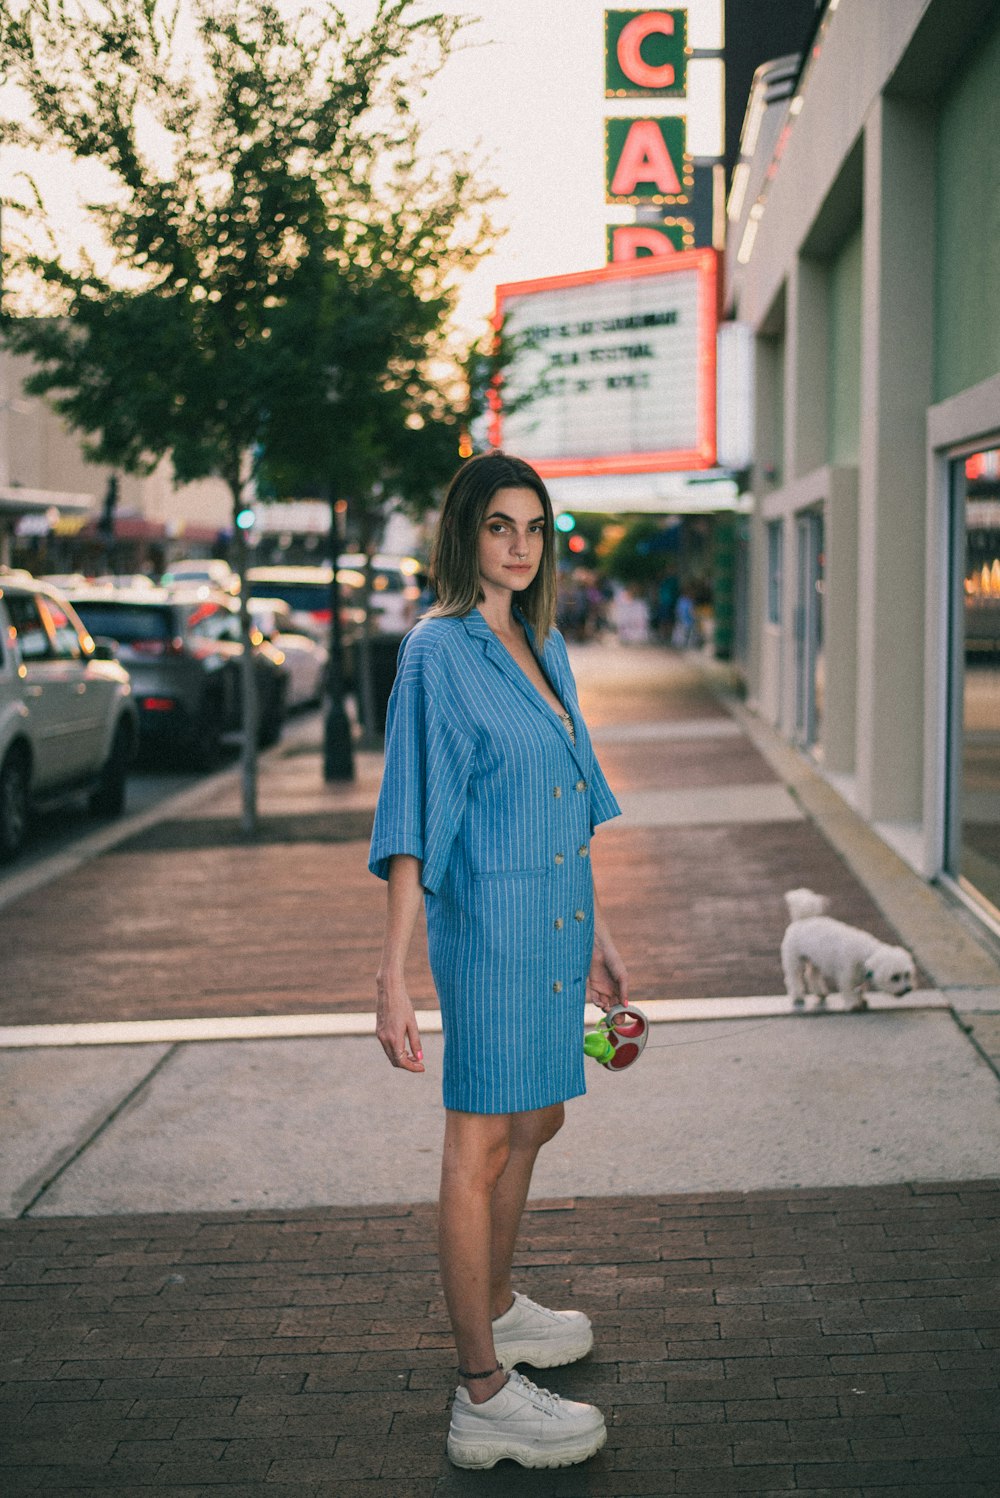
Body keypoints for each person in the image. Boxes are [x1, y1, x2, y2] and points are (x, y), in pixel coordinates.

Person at [369, 451, 628, 1471]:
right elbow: (411, 821)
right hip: (486, 933)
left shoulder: (543, 645)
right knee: (476, 1146)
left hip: (557, 926)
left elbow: (574, 798)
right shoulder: (438, 653)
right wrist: (391, 975)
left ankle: (498, 1306)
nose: (518, 546)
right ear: (463, 534)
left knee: (540, 1114)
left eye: (532, 528)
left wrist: (600, 932)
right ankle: (482, 1393)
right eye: (498, 527)